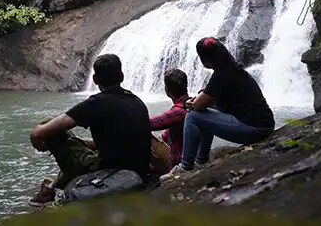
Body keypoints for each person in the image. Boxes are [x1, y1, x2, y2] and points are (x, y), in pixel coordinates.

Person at [29, 54, 151, 206]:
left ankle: (51, 190)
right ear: (122, 76)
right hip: (138, 171)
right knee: (79, 147)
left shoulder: (96, 103)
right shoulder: (137, 101)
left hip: (110, 172)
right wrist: (80, 142)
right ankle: (53, 187)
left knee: (49, 124)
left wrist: (39, 139)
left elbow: (41, 132)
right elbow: (117, 141)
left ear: (95, 79)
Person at [163, 37, 275, 178]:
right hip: (265, 125)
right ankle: (201, 160)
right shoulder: (233, 68)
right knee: (203, 114)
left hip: (254, 129)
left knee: (193, 116)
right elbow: (212, 102)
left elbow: (197, 106)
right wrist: (203, 100)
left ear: (206, 60)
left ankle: (185, 167)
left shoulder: (221, 75)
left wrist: (189, 103)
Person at [150, 69, 190, 169]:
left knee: (144, 135)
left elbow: (147, 124)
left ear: (167, 90)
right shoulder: (192, 103)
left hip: (177, 162)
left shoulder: (178, 112)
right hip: (189, 156)